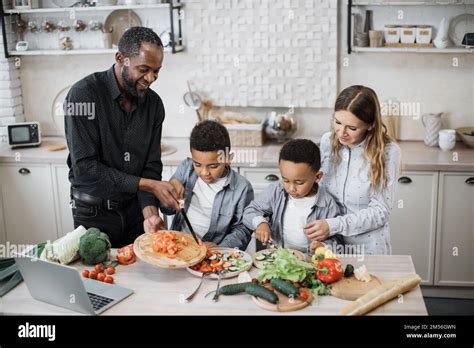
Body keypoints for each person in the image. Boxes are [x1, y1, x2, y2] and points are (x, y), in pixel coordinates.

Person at [64, 27, 180, 248]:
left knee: (142, 280)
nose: (151, 78)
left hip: (136, 212)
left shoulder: (154, 105)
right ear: (121, 58)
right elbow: (86, 168)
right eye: (144, 69)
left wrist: (150, 214)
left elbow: (150, 165)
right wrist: (150, 185)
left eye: (156, 71)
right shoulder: (83, 95)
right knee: (98, 280)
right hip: (93, 214)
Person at [305, 85, 401, 255]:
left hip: (368, 250)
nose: (341, 133)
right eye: (337, 122)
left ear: (371, 125)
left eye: (352, 128)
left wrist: (333, 225)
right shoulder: (328, 141)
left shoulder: (387, 152)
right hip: (329, 246)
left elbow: (380, 212)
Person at [161, 120, 254, 251]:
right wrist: (170, 193)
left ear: (228, 159)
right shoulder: (186, 168)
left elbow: (243, 229)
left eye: (213, 166)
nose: (204, 173)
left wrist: (221, 248)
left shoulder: (242, 188)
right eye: (197, 164)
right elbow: (167, 210)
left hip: (214, 253)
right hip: (179, 247)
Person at [243, 139, 340, 254]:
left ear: (317, 177)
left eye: (299, 183)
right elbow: (250, 210)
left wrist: (323, 246)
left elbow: (337, 240)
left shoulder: (328, 204)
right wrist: (260, 223)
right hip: (277, 257)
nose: (291, 188)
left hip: (309, 261)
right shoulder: (276, 191)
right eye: (286, 180)